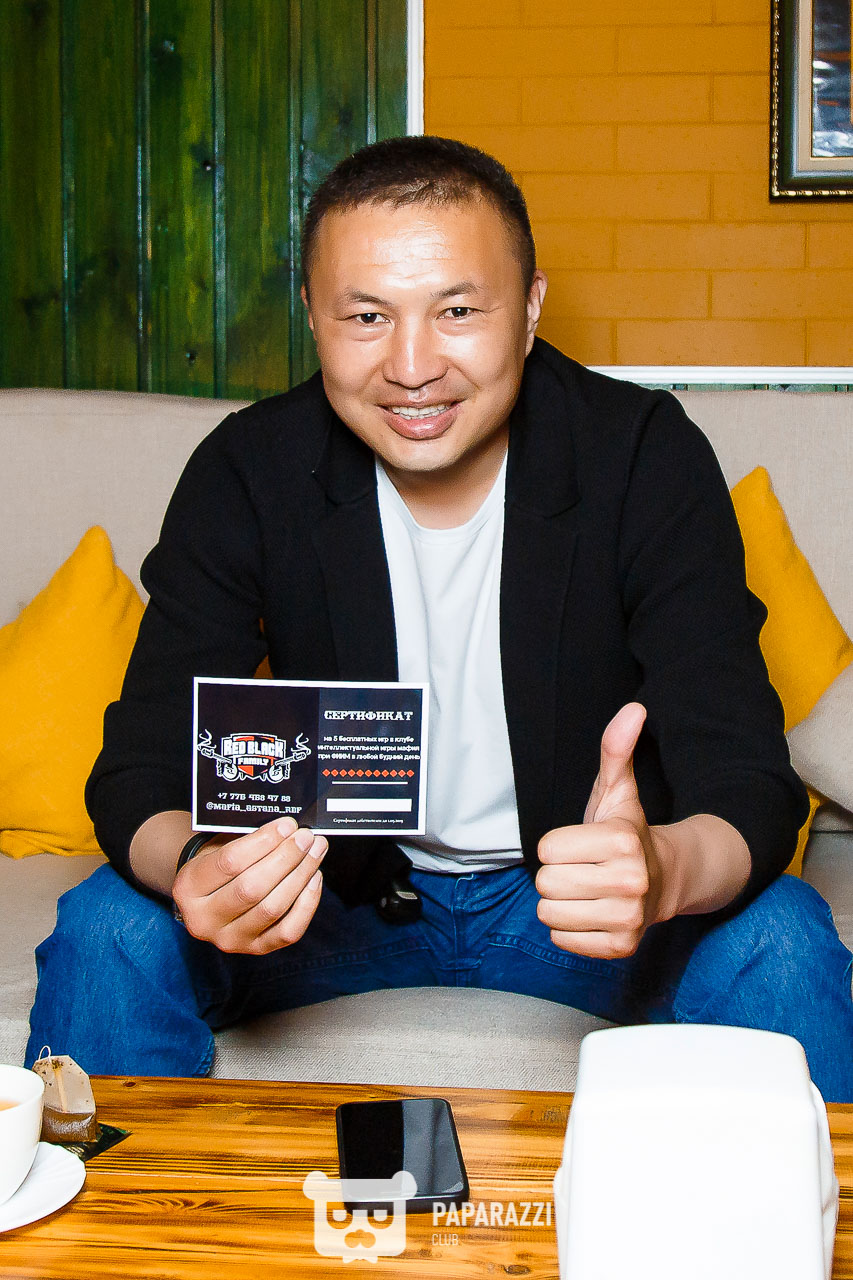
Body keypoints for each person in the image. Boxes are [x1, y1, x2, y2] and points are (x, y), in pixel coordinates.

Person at [27, 136, 853, 1098]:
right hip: (329, 897)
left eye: (457, 311)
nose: (412, 367)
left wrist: (660, 869)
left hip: (577, 905)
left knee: (782, 938)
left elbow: (747, 779)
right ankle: (108, 1203)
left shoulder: (641, 456)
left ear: (531, 308)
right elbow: (138, 766)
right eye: (366, 317)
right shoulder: (248, 469)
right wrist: (199, 869)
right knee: (108, 926)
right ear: (312, 315)